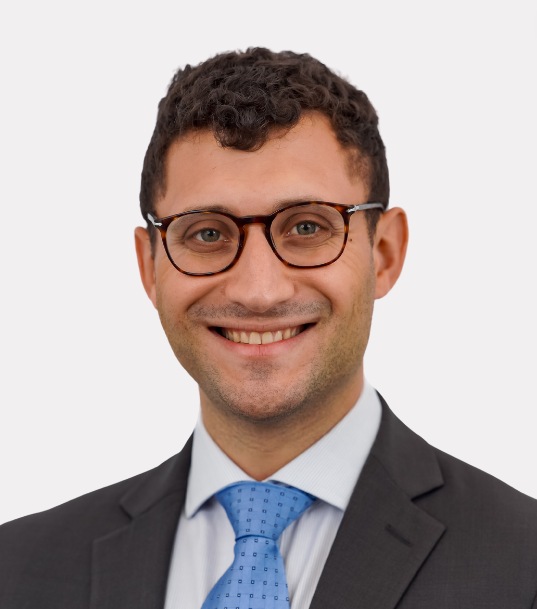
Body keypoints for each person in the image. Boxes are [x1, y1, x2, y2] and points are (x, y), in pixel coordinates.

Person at [1, 47, 536, 609]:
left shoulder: (522, 566)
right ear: (150, 266)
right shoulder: (17, 570)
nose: (259, 291)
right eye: (207, 233)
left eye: (307, 227)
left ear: (384, 253)